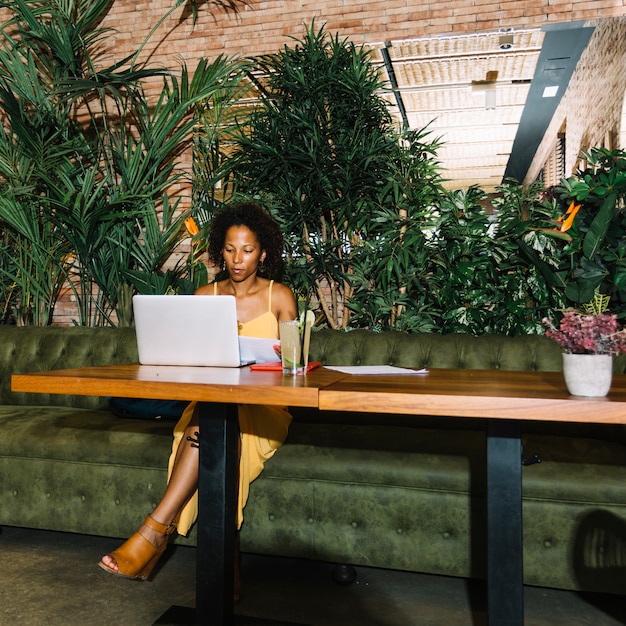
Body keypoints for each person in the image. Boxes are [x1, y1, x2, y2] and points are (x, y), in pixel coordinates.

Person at [98, 202, 297, 590]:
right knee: (213, 429)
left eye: (248, 250)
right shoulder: (205, 294)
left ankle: (154, 534)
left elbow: (292, 367)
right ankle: (222, 572)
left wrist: (268, 359)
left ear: (264, 253)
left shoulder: (280, 297)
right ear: (219, 251)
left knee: (211, 428)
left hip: (264, 407)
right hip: (211, 400)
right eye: (229, 249)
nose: (237, 259)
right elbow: (192, 360)